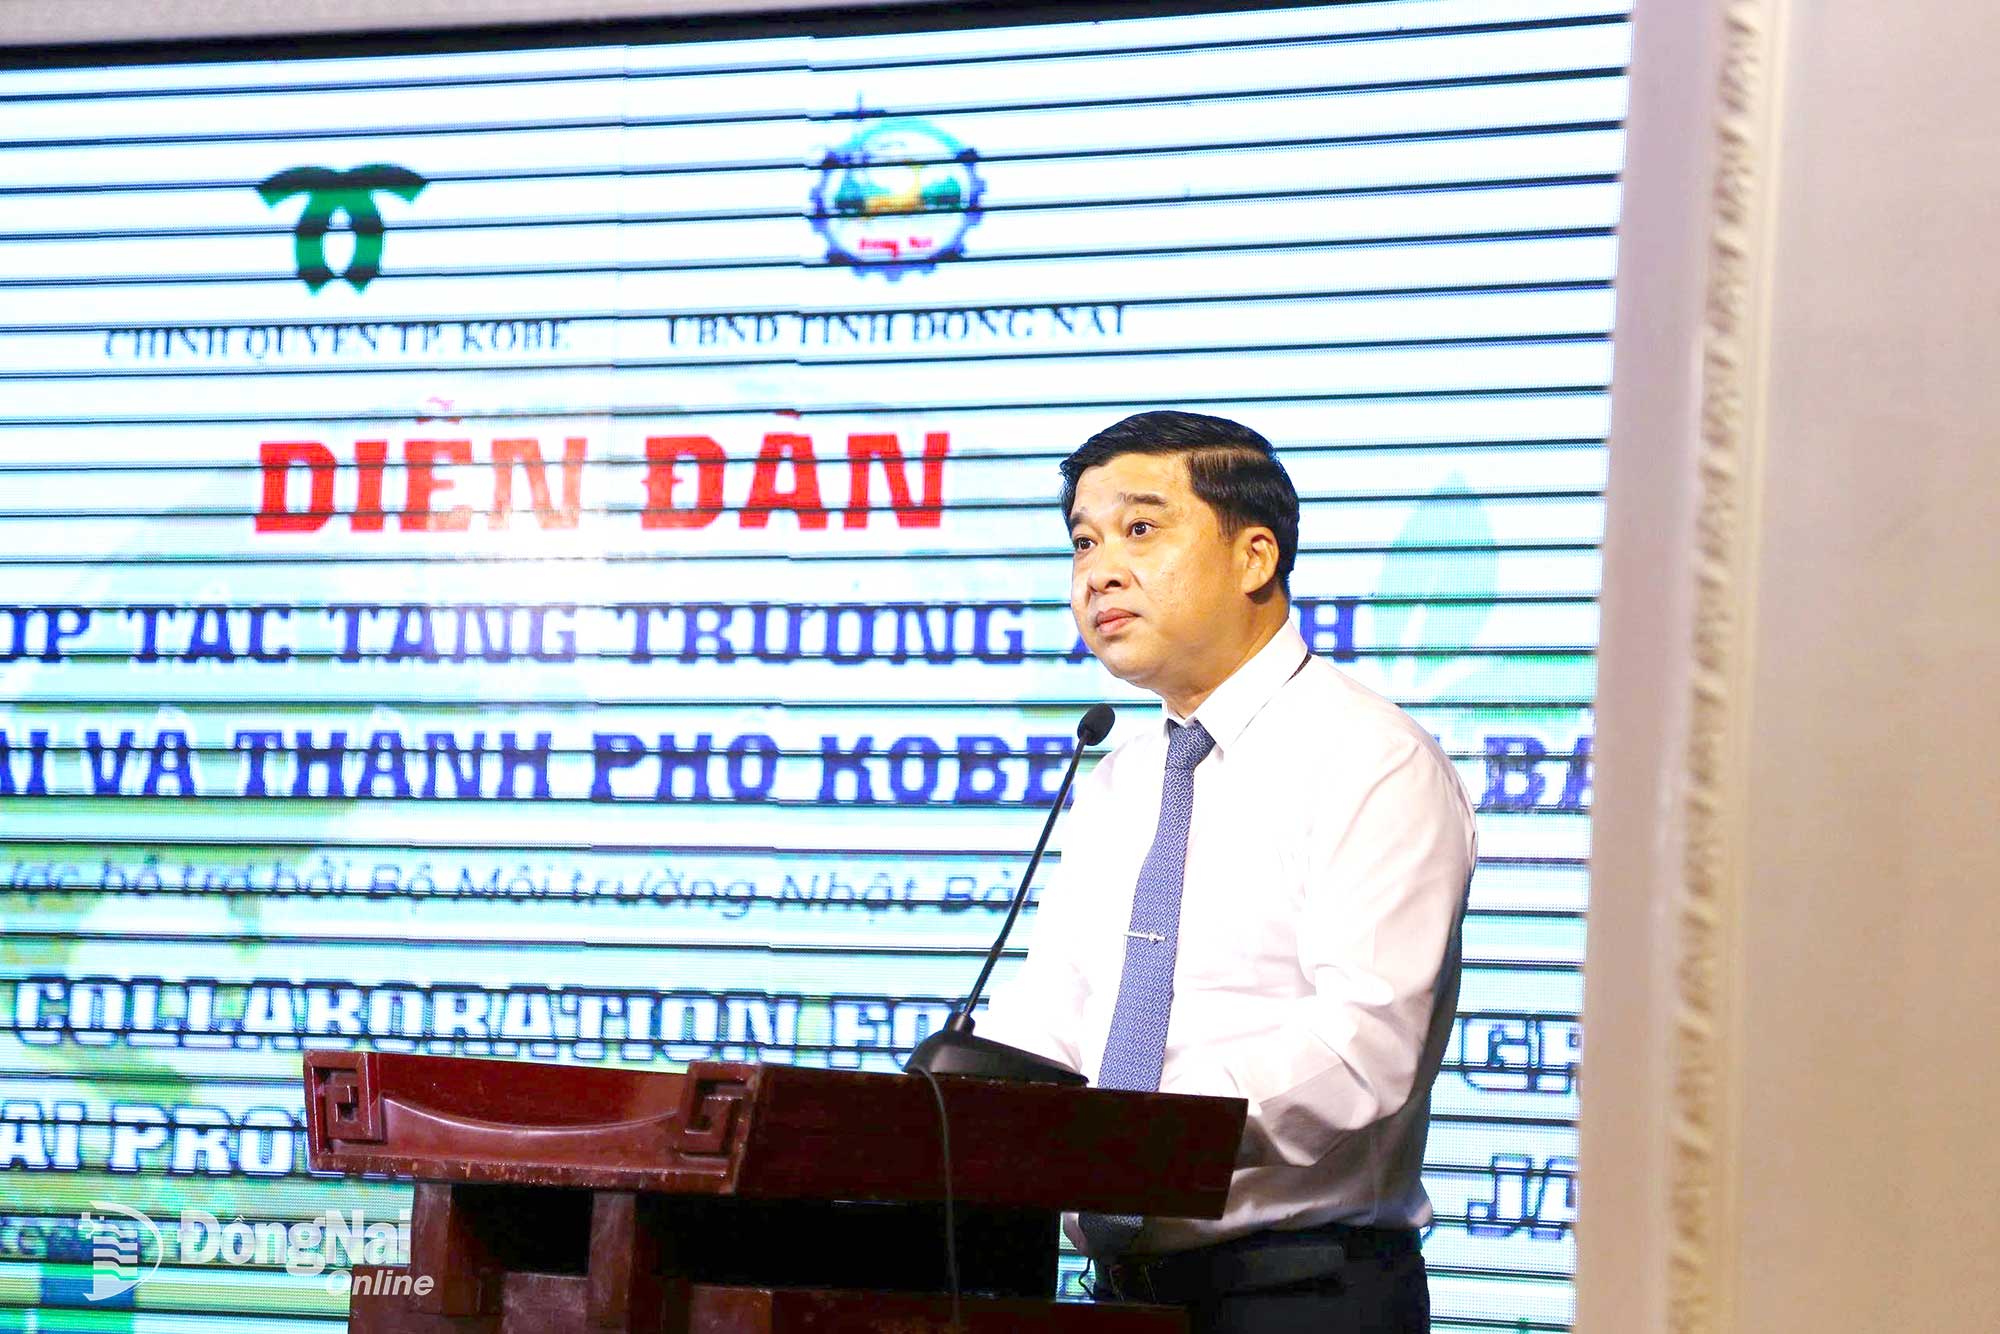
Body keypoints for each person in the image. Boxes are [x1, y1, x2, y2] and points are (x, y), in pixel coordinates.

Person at [977, 410, 1475, 1334]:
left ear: (1254, 558)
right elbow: (1057, 1011)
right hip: (1117, 1299)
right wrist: (956, 1106)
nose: (1098, 571)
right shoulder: (1125, 773)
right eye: (1082, 542)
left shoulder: (1371, 758)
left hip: (1300, 1293)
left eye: (1140, 529)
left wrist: (1133, 1134)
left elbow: (1361, 1048)